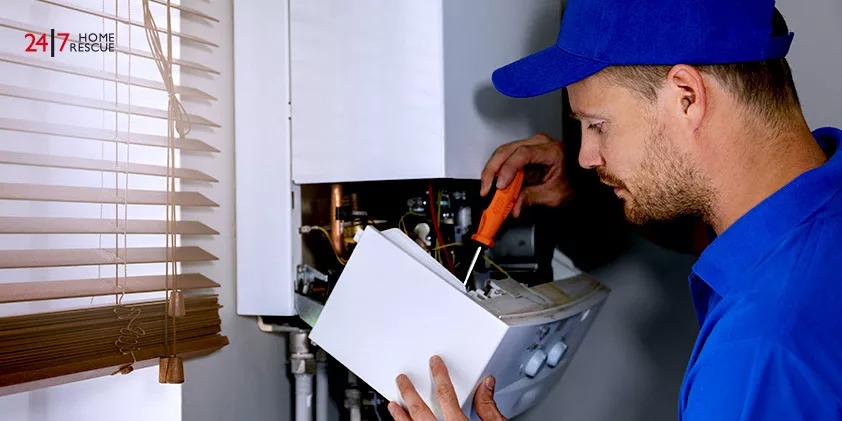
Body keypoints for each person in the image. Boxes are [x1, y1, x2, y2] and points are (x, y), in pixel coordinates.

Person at [387, 0, 842, 420]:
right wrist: (586, 196)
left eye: (597, 125)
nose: (585, 157)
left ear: (686, 96)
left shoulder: (757, 355)